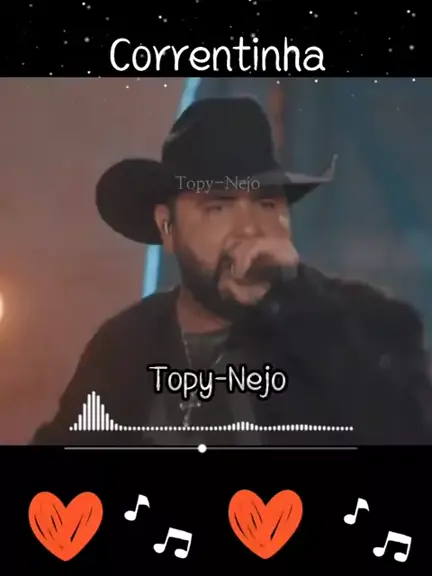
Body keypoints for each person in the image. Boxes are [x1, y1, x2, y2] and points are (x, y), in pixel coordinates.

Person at [31, 97, 432, 446]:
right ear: (167, 227)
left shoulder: (367, 319)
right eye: (218, 206)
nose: (250, 228)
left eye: (267, 203)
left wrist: (295, 306)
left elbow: (408, 428)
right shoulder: (124, 346)